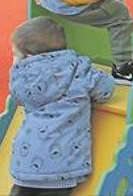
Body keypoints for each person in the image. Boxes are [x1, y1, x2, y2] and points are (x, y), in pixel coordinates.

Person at [9, 16, 115, 196]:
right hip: (61, 164)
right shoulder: (78, 69)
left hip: (24, 161)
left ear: (29, 57)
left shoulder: (22, 77)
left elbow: (18, 98)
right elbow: (105, 90)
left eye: (15, 55)